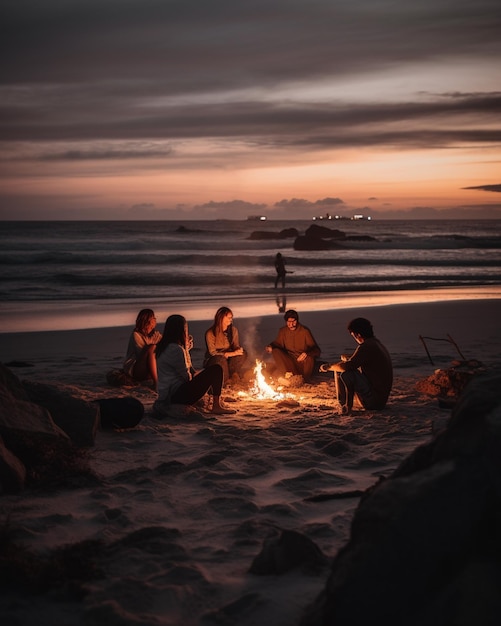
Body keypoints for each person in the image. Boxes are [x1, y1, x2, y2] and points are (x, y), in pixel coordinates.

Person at [155, 314, 236, 415]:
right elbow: (187, 377)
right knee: (216, 369)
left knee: (207, 373)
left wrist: (186, 349)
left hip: (169, 394)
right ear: (181, 330)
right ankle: (216, 406)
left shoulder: (164, 347)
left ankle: (215, 398)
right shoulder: (176, 349)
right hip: (177, 395)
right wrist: (185, 351)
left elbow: (189, 370)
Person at [320, 317, 393, 415]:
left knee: (345, 373)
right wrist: (347, 359)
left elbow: (348, 366)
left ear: (358, 334)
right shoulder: (375, 343)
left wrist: (329, 367)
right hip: (381, 399)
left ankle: (344, 404)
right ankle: (345, 403)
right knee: (344, 368)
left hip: (374, 401)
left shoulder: (366, 346)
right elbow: (360, 359)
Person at [265, 309, 321, 384]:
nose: (291, 324)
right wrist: (270, 346)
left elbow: (316, 350)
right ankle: (287, 376)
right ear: (286, 322)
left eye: (293, 321)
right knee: (275, 351)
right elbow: (277, 344)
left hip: (303, 363)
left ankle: (305, 379)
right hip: (290, 363)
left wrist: (306, 353)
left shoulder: (304, 331)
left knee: (310, 358)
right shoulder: (283, 331)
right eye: (289, 322)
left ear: (297, 321)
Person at [204, 306, 248, 384]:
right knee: (220, 359)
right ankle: (225, 379)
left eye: (231, 317)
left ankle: (233, 373)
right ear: (221, 318)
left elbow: (235, 345)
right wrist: (228, 354)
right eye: (228, 317)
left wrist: (238, 350)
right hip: (215, 359)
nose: (231, 319)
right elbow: (212, 353)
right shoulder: (210, 333)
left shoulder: (233, 330)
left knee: (243, 353)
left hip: (229, 358)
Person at [123, 308, 162, 389]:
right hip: (136, 370)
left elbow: (166, 345)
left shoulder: (155, 334)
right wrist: (154, 346)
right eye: (153, 318)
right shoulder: (136, 335)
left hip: (150, 369)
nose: (155, 319)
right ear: (147, 320)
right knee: (151, 348)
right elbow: (142, 354)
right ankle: (156, 382)